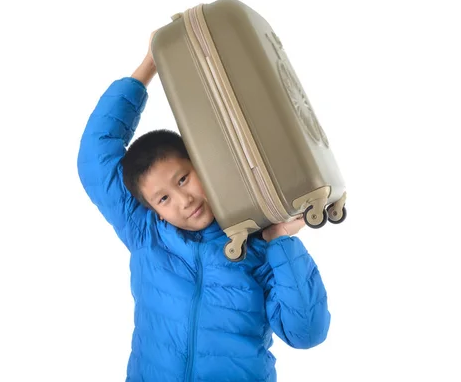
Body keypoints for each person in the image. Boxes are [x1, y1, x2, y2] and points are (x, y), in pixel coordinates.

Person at [77, 30, 331, 381]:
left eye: (183, 179)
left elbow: (306, 334)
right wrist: (151, 64)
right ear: (151, 207)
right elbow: (96, 152)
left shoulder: (257, 246)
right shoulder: (146, 233)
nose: (184, 201)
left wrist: (282, 240)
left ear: (203, 164)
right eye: (163, 198)